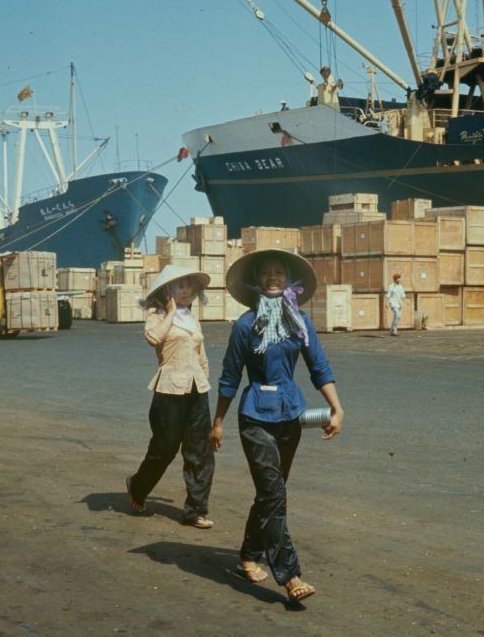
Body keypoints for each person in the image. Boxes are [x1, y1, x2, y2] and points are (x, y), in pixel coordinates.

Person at [211, 249, 344, 604]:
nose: (273, 277)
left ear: (288, 280)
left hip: (291, 417)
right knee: (274, 494)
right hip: (255, 418)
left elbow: (319, 366)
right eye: (266, 273)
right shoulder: (245, 325)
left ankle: (248, 554)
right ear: (256, 280)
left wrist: (336, 407)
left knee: (272, 492)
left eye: (279, 273)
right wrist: (218, 423)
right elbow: (229, 377)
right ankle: (289, 574)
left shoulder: (299, 322)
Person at [126, 265, 216, 529]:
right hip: (169, 391)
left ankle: (195, 510)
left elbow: (201, 354)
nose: (187, 290)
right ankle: (138, 487)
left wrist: (205, 379)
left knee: (200, 451)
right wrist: (171, 313)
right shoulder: (157, 317)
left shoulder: (194, 320)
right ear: (167, 291)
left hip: (197, 390)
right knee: (164, 449)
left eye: (190, 285)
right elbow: (153, 338)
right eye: (180, 286)